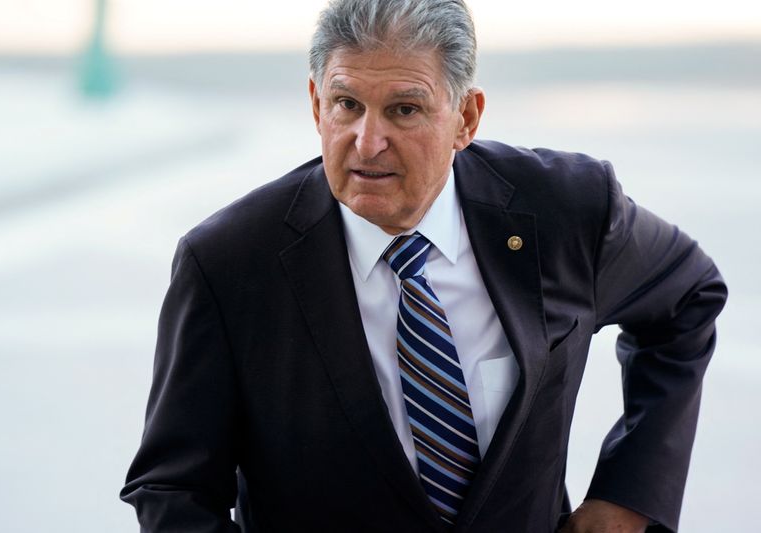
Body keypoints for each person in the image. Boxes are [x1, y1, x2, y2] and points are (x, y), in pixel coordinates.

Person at [120, 1, 727, 531]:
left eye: (404, 110)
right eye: (347, 104)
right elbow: (172, 489)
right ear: (315, 103)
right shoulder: (229, 262)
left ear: (465, 118)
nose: (366, 141)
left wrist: (628, 493)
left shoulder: (567, 209)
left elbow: (689, 297)